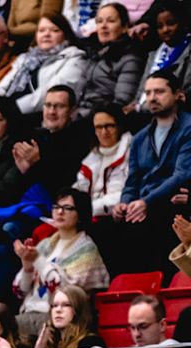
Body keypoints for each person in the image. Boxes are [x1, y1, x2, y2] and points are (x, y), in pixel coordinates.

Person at [112, 71, 191, 272]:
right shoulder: (140, 137)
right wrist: (125, 202)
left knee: (160, 223)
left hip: (170, 203)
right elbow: (132, 180)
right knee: (112, 229)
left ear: (178, 95)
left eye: (159, 91)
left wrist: (146, 202)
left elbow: (181, 174)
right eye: (148, 93)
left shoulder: (188, 127)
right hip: (144, 205)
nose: (152, 98)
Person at [12, 188, 110, 339]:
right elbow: (21, 290)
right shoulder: (44, 245)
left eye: (67, 208)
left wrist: (37, 260)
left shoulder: (86, 249)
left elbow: (63, 290)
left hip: (58, 318)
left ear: (80, 215)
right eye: (56, 207)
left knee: (11, 328)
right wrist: (27, 265)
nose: (59, 212)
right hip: (30, 311)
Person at [0, 13, 88, 116]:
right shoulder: (25, 59)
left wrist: (13, 108)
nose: (46, 34)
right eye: (41, 30)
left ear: (66, 35)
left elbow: (52, 94)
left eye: (54, 30)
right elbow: (2, 86)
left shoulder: (75, 57)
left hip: (37, 116)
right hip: (5, 112)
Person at [78, 3, 145, 118]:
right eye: (99, 21)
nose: (103, 26)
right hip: (81, 112)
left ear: (125, 27)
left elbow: (121, 102)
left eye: (111, 21)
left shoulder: (130, 59)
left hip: (101, 118)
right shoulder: (93, 54)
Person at [74, 104, 130, 218]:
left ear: (119, 126)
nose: (104, 132)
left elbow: (127, 193)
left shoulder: (131, 152)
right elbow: (79, 187)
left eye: (109, 126)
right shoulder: (92, 157)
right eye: (98, 127)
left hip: (112, 218)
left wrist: (86, 209)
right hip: (86, 215)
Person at [132, 2, 190, 111]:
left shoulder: (188, 51)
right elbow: (142, 89)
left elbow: (186, 91)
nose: (165, 30)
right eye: (160, 26)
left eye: (171, 23)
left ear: (184, 24)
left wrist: (140, 108)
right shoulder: (154, 54)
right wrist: (135, 104)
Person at [34, 284, 105, 348]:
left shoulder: (90, 343)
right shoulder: (49, 344)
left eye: (66, 305)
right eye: (55, 305)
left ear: (78, 309)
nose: (58, 310)